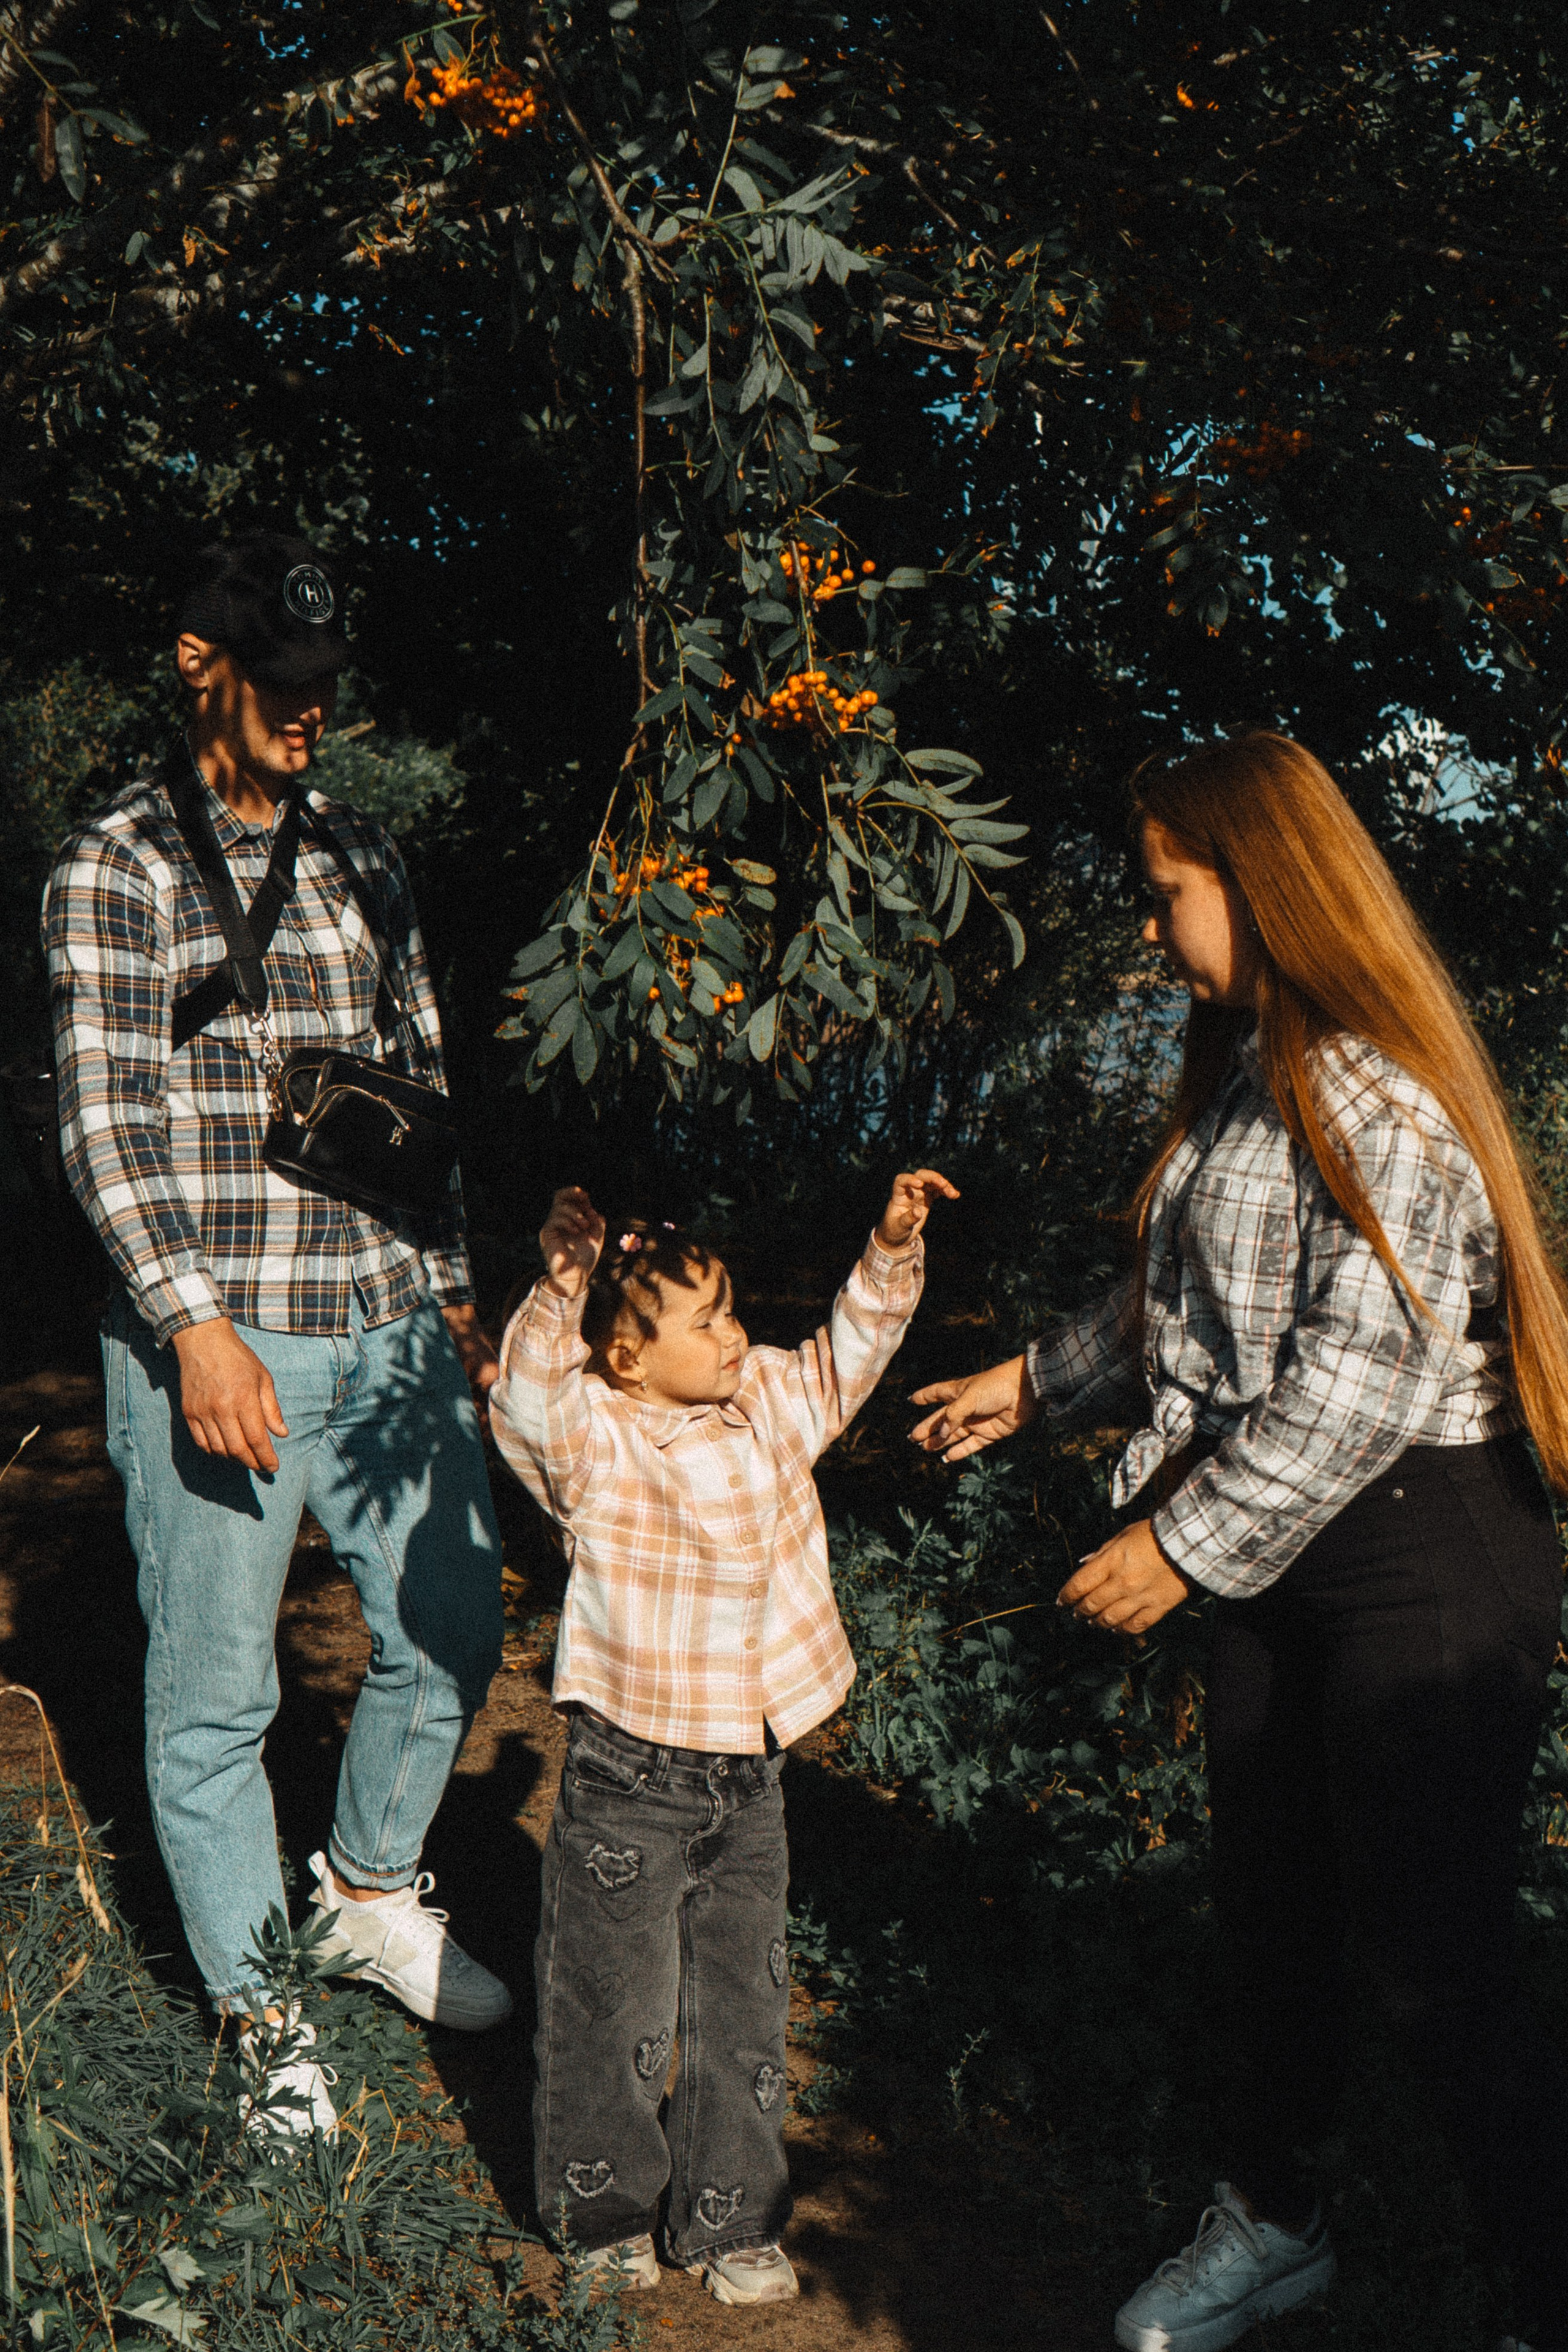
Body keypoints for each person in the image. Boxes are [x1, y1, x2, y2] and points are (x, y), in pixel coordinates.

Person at [910, 732, 1568, 2352]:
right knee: (1272, 1905)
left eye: (1166, 896)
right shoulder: (1259, 1066)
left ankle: (1546, 2280)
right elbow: (1200, 1304)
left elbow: (1362, 1380)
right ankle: (1278, 2220)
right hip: (1293, 1536)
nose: (1149, 932)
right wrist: (1033, 1380)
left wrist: (1183, 1551)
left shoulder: (1381, 1093)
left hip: (1421, 1541)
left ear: (1260, 887)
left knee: (1436, 1958)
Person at [43, 532, 511, 2143]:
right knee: (216, 1697)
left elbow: (417, 1065)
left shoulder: (366, 853)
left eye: (328, 687)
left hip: (388, 1338)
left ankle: (369, 1891)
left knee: (452, 1629)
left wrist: (450, 1276)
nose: (314, 714)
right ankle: (258, 2013)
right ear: (199, 668)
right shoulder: (117, 869)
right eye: (284, 686)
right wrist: (192, 1333)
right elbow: (105, 1124)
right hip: (222, 1344)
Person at [488, 1171, 956, 2304]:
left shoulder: (769, 1405)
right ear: (632, 1358)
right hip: (628, 1775)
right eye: (709, 1320)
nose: (738, 1330)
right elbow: (527, 1399)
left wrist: (890, 1251)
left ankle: (730, 2219)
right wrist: (562, 1288)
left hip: (750, 1776)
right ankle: (601, 2215)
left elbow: (848, 1355)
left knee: (745, 2004)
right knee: (615, 2006)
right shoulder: (597, 1438)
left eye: (734, 1307)